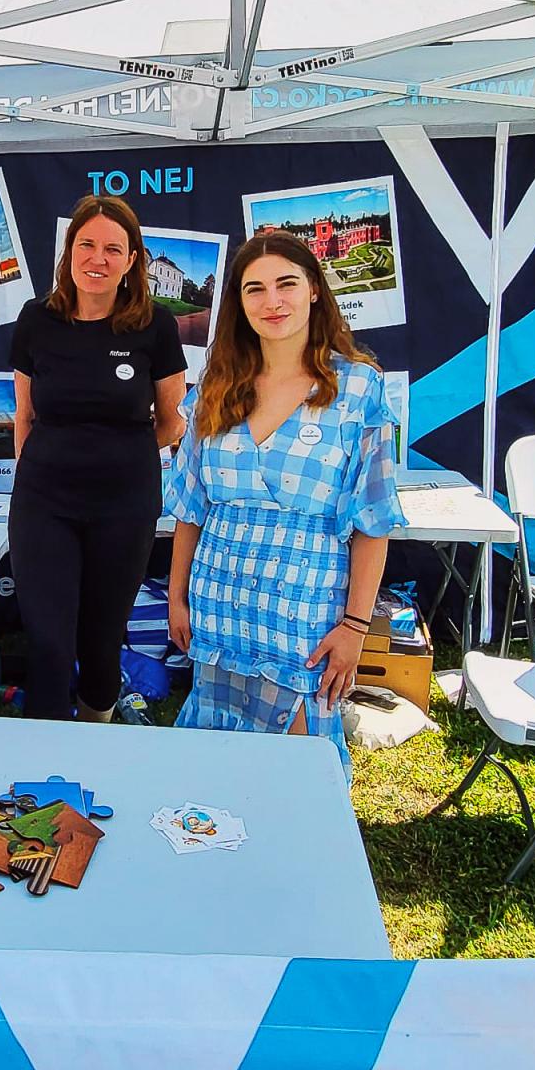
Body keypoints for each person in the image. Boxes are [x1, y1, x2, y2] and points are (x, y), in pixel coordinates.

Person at [166, 229, 404, 778]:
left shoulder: (357, 388)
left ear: (314, 289)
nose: (272, 301)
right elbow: (190, 508)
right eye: (254, 289)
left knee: (298, 773)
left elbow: (373, 521)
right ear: (238, 302)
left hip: (304, 611)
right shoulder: (218, 386)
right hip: (219, 603)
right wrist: (177, 598)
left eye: (286, 284)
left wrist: (355, 626)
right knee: (214, 770)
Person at [10, 194, 186, 721]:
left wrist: (119, 457)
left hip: (124, 505)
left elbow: (172, 420)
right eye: (86, 245)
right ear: (69, 252)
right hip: (45, 503)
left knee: (101, 639)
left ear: (132, 260)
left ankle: (95, 737)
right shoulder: (36, 319)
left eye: (113, 249)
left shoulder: (155, 326)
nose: (98, 259)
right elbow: (24, 416)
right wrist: (38, 472)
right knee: (49, 642)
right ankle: (44, 754)